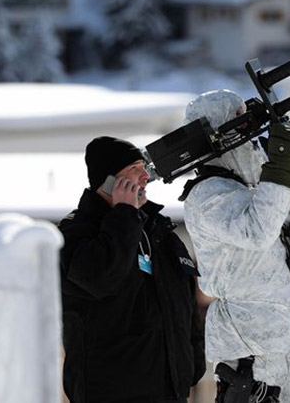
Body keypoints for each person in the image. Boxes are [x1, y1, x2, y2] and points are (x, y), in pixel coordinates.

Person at [181, 90, 290, 402]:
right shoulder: (206, 196)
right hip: (250, 353)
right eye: (238, 122)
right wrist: (278, 169)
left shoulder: (253, 190)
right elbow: (258, 230)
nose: (250, 137)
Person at [58, 136, 205, 403]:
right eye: (134, 169)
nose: (145, 176)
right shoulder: (76, 232)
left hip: (171, 391)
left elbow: (185, 302)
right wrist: (124, 213)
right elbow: (100, 279)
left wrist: (192, 364)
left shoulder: (158, 229)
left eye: (143, 167)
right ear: (109, 180)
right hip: (112, 391)